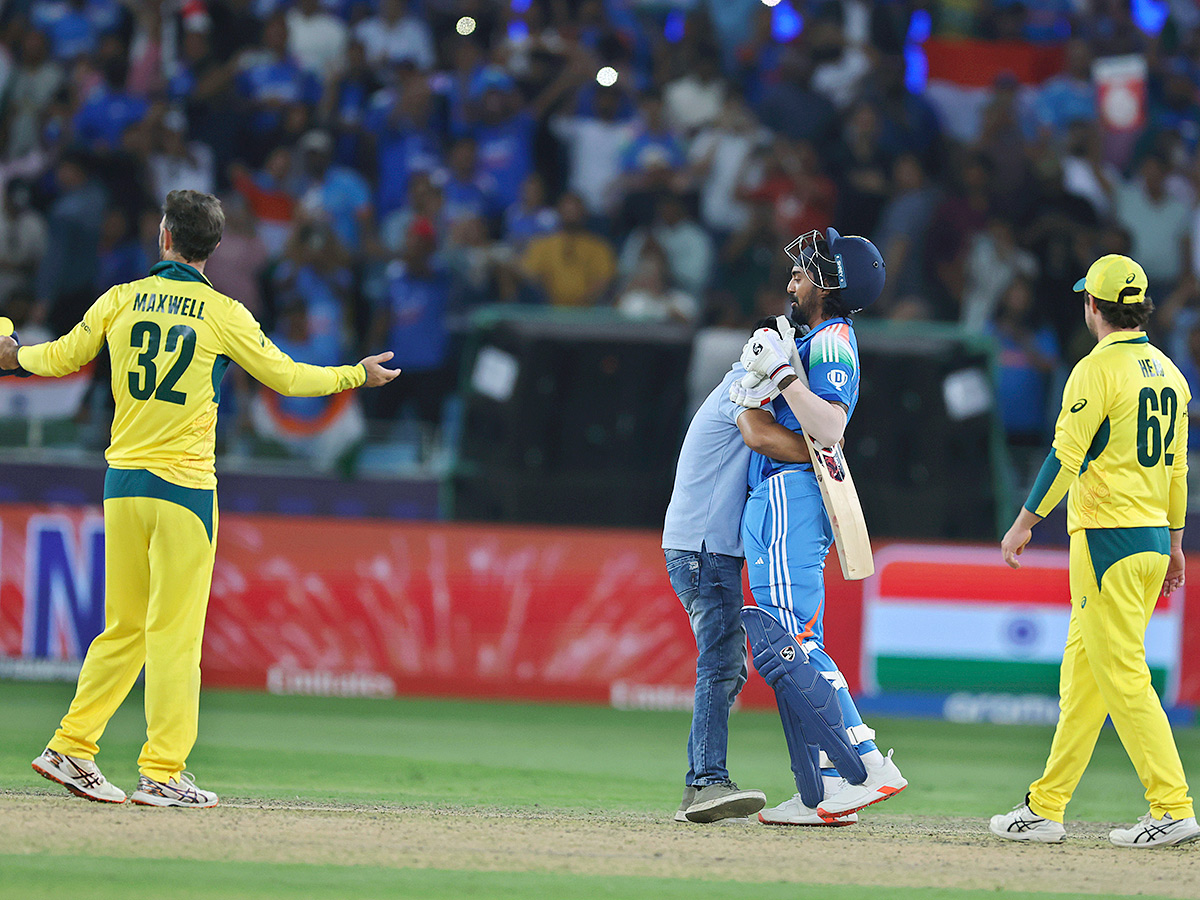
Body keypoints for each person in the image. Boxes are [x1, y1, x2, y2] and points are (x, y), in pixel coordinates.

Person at [1, 190, 399, 808]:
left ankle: (72, 746)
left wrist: (13, 357)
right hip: (184, 489)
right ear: (213, 247)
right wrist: (357, 374)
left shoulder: (121, 298)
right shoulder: (223, 313)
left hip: (123, 484)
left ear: (164, 237)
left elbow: (60, 358)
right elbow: (288, 378)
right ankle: (162, 771)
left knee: (124, 628)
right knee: (175, 636)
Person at [991, 254, 1199, 848]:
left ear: (1092, 306)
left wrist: (1024, 523)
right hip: (1153, 538)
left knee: (1123, 676)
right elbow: (1178, 471)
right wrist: (1177, 544)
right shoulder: (1170, 373)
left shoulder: (1094, 370)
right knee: (1085, 679)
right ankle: (1046, 806)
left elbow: (1064, 456)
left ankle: (1172, 806)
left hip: (1107, 541)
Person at [732, 227, 906, 825]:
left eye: (803, 273)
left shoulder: (831, 340)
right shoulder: (815, 335)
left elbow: (829, 428)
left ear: (830, 284)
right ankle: (828, 789)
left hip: (790, 497)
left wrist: (780, 376)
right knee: (796, 642)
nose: (792, 281)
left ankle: (866, 764)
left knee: (792, 642)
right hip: (784, 497)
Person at [663, 320, 814, 825]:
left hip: (701, 549)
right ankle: (704, 782)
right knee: (721, 663)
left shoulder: (741, 387)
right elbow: (764, 439)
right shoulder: (741, 388)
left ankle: (702, 782)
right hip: (703, 550)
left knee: (726, 663)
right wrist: (828, 456)